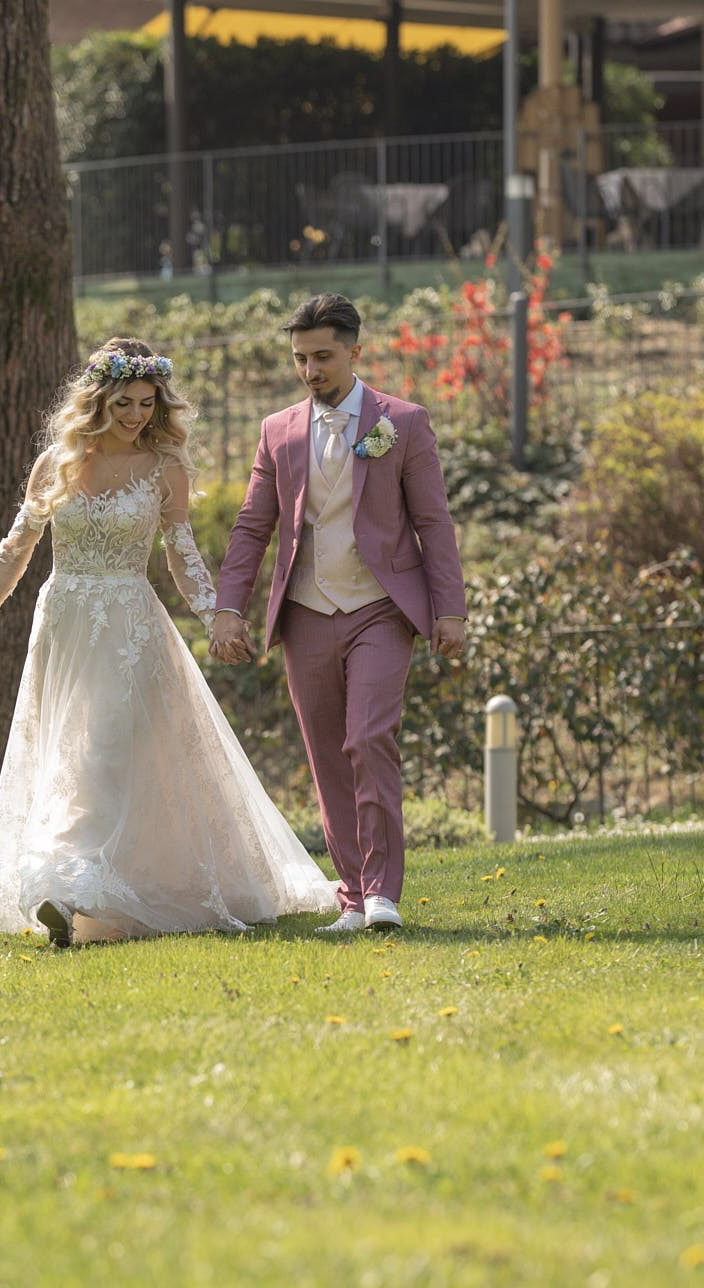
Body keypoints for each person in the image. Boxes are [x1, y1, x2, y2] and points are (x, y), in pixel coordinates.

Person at [0, 339, 338, 946]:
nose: (136, 416)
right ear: (98, 400)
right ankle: (73, 891)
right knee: (70, 756)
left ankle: (67, 890)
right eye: (125, 402)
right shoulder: (57, 464)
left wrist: (215, 617)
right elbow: (13, 552)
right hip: (65, 625)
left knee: (104, 749)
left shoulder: (164, 470)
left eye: (147, 404)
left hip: (129, 628)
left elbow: (183, 558)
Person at [211, 294, 467, 934]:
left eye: (322, 356)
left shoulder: (403, 423)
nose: (310, 370)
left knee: (368, 737)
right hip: (304, 613)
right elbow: (252, 527)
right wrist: (227, 608)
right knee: (327, 754)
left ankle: (383, 893)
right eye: (300, 358)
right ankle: (352, 898)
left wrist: (450, 611)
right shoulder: (278, 431)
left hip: (380, 607)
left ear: (356, 350)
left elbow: (433, 523)